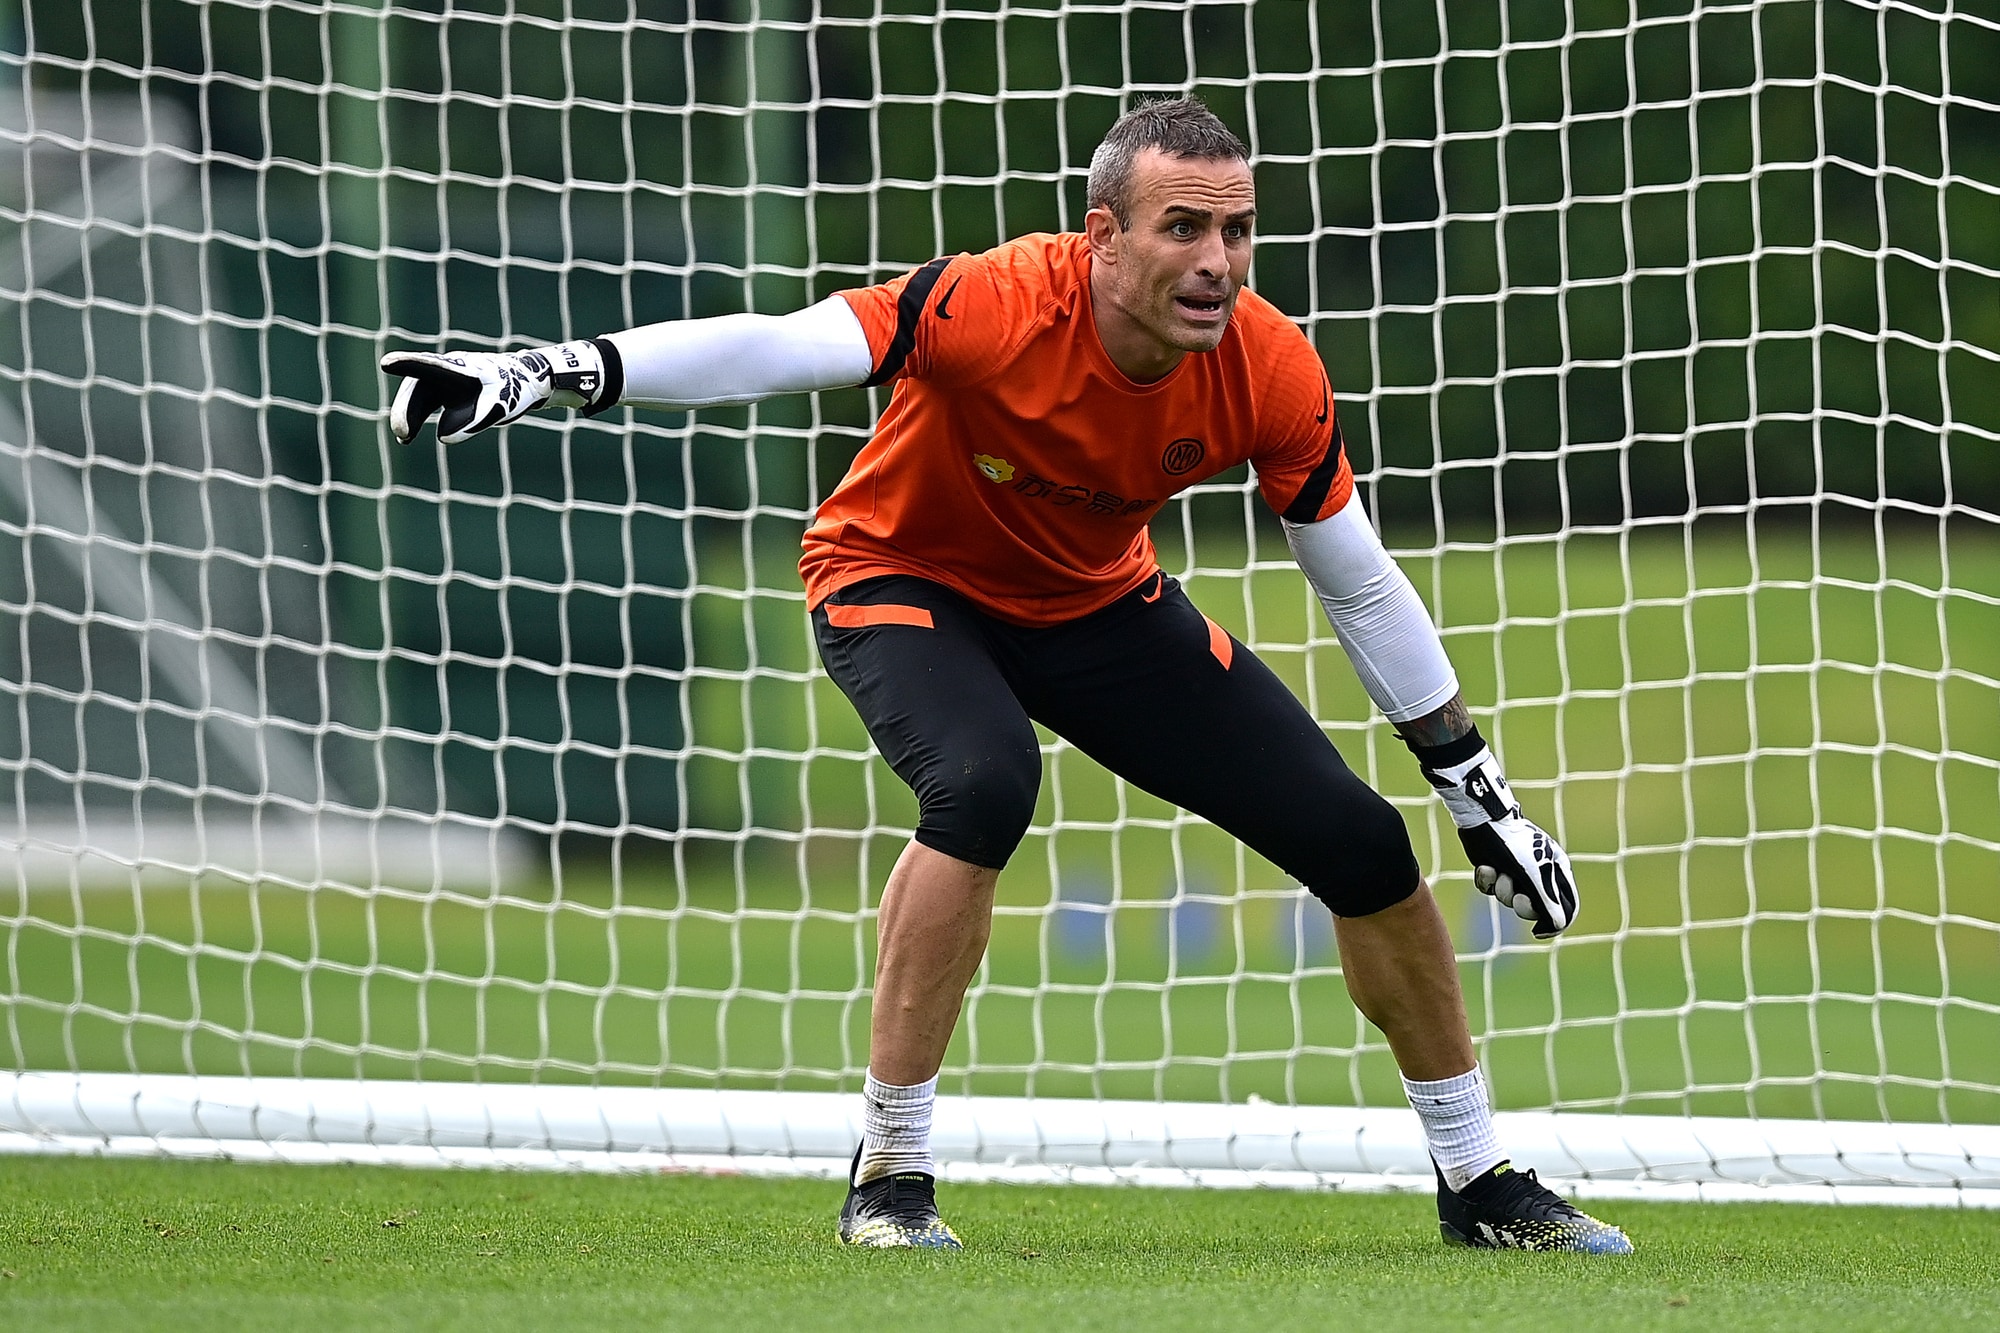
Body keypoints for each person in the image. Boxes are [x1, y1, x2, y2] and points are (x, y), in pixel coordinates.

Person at [383, 96, 1631, 1256]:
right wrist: (546, 370)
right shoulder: (992, 303)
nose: (1217, 261)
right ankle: (889, 1176)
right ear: (1101, 236)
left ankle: (1476, 1181)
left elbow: (1355, 582)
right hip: (898, 578)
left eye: (1237, 230)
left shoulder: (1268, 365)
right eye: (1182, 228)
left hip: (1094, 604)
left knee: (1360, 844)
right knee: (983, 785)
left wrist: (1476, 789)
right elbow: (778, 343)